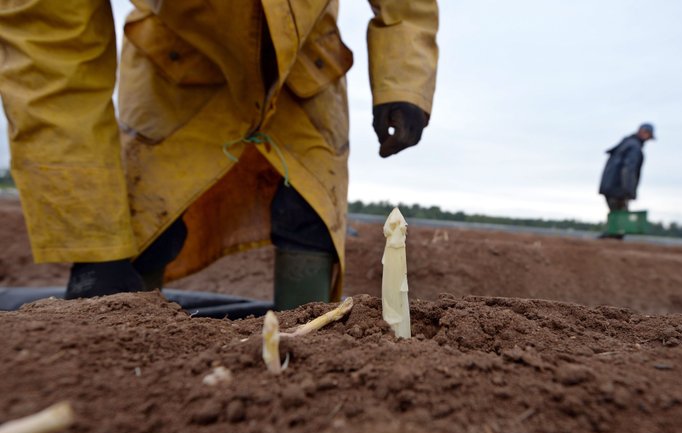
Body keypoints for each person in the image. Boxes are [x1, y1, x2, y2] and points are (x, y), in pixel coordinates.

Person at [0, 1, 439, 310]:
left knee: (308, 217)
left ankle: (306, 371)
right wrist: (94, 246)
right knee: (146, 231)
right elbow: (48, 44)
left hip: (304, 74)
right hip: (175, 75)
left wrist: (403, 74)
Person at [597, 123, 655, 239]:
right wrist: (628, 190)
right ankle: (613, 237)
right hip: (618, 186)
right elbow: (629, 169)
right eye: (647, 134)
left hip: (611, 185)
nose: (647, 138)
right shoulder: (634, 147)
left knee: (616, 213)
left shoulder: (626, 143)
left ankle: (612, 235)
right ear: (641, 131)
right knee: (619, 214)